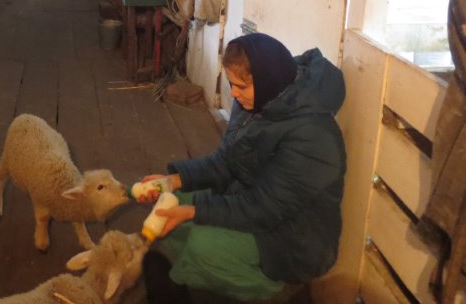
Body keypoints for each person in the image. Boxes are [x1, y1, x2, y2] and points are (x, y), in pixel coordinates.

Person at [137, 32, 346, 303]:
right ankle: (188, 272)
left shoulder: (313, 136)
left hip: (295, 239)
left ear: (268, 79)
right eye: (231, 85)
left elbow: (264, 208)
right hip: (251, 197)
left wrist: (194, 211)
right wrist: (172, 181)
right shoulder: (258, 101)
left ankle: (277, 290)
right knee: (170, 201)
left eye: (242, 87)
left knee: (203, 244)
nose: (234, 94)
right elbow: (226, 160)